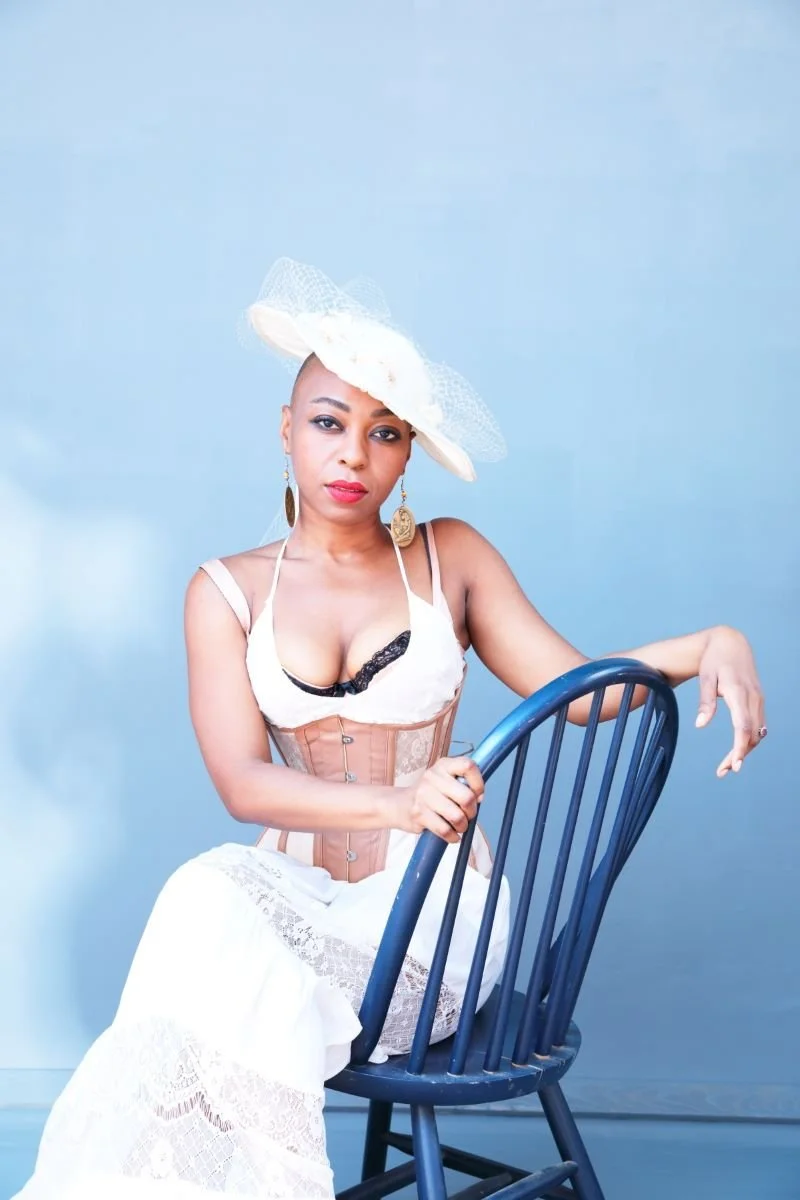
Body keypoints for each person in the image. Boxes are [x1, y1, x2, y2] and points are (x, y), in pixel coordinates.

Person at [14, 258, 766, 1199]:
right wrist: (401, 796)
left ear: (407, 454)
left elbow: (582, 695)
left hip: (433, 915)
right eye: (328, 423)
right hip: (291, 896)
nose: (351, 455)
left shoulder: (449, 557)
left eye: (383, 433)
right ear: (286, 431)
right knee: (205, 896)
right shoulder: (226, 591)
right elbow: (242, 784)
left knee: (217, 982)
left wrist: (711, 641)